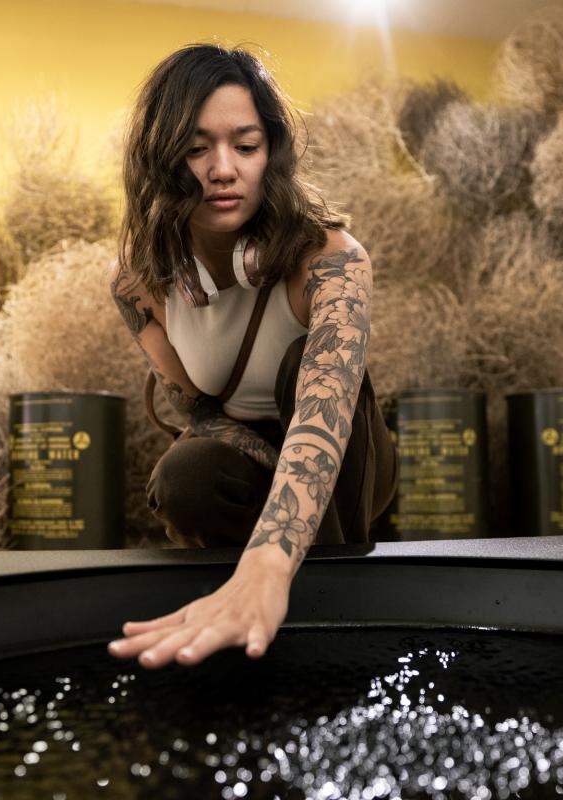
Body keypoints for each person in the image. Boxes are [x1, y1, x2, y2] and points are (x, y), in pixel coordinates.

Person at [106, 43, 396, 669]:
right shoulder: (139, 282)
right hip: (249, 452)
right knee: (184, 475)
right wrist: (259, 480)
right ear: (162, 158)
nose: (222, 169)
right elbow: (198, 413)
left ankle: (330, 624)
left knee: (301, 368)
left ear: (272, 154)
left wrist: (270, 558)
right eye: (195, 147)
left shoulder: (332, 260)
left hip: (344, 448)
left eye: (245, 144)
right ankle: (241, 612)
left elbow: (326, 416)